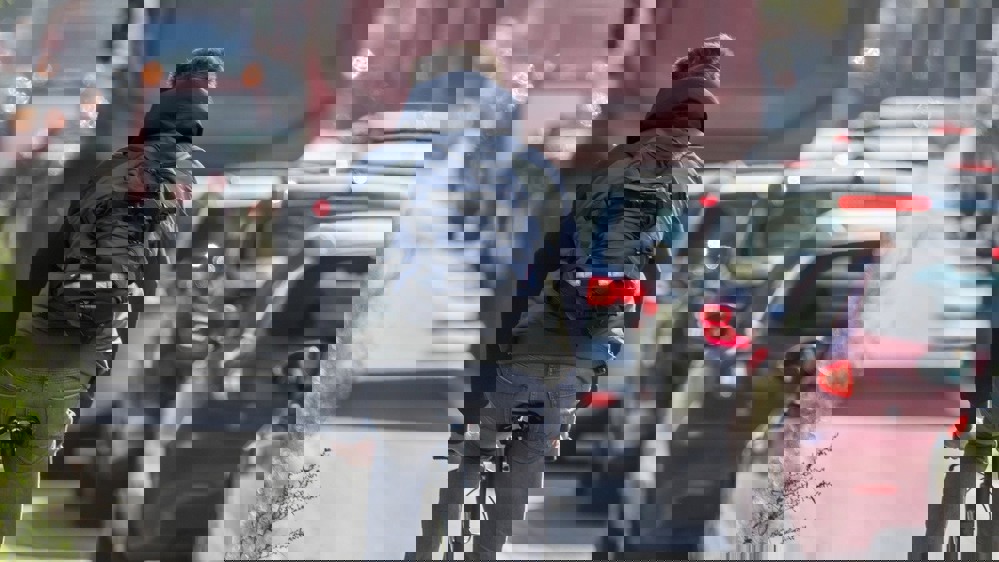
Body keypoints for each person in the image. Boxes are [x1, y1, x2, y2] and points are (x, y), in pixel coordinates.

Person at [408, 36, 727, 560]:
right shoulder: (676, 185)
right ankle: (484, 526)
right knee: (533, 447)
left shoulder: (613, 167)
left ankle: (471, 447)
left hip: (552, 315)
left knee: (495, 396)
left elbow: (544, 251)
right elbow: (662, 265)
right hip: (591, 335)